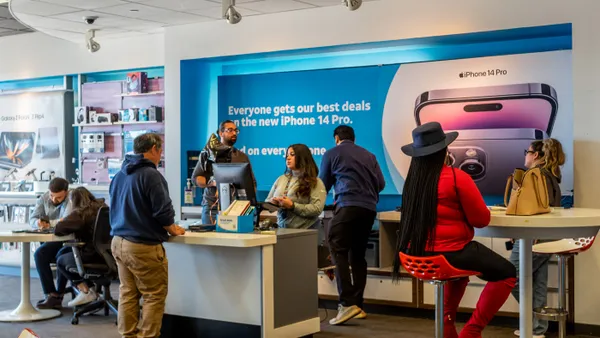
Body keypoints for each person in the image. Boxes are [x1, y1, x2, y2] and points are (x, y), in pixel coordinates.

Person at [394, 122, 516, 338]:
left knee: (459, 274)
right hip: (450, 254)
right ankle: (472, 330)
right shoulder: (458, 177)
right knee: (507, 272)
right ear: (445, 151)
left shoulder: (412, 182)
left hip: (414, 255)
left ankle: (447, 324)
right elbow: (481, 220)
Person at [110, 133, 185, 338]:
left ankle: (128, 335)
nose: (160, 155)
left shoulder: (120, 174)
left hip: (118, 242)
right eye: (160, 150)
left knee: (127, 293)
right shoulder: (151, 175)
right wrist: (172, 227)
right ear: (153, 148)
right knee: (153, 295)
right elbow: (162, 210)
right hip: (142, 245)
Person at [319, 125, 385, 325]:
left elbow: (323, 183)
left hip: (347, 206)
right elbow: (380, 184)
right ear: (353, 139)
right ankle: (358, 305)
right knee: (357, 256)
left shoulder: (332, 153)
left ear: (336, 138)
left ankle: (346, 304)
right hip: (368, 209)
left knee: (337, 249)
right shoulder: (370, 155)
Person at [510, 138, 566, 338]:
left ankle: (531, 322)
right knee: (538, 281)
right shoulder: (551, 176)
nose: (525, 154)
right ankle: (537, 329)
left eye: (528, 151)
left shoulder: (535, 176)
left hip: (532, 235)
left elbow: (529, 209)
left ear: (536, 156)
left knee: (511, 277)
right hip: (548, 235)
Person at [192, 120, 255, 225]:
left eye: (236, 130)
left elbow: (252, 184)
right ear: (221, 133)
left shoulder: (242, 157)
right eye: (230, 130)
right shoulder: (209, 153)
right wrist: (212, 183)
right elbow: (196, 178)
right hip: (213, 208)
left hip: (235, 209)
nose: (234, 133)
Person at [53, 187, 107, 307]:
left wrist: (68, 216)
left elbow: (58, 229)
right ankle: (89, 288)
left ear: (74, 201)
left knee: (60, 261)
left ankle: (86, 290)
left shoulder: (80, 213)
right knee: (62, 252)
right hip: (109, 255)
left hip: (91, 254)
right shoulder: (103, 207)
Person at [32, 177, 72, 310]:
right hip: (51, 239)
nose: (54, 200)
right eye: (51, 195)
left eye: (58, 197)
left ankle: (59, 294)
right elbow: (32, 218)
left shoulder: (71, 198)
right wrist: (37, 223)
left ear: (66, 192)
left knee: (60, 254)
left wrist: (49, 223)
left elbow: (66, 221)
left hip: (69, 239)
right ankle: (51, 294)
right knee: (40, 254)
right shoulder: (44, 198)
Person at [267, 144, 326, 229]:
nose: (288, 158)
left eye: (292, 155)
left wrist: (292, 206)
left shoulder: (315, 182)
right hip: (282, 230)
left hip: (306, 232)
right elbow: (268, 200)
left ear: (302, 157)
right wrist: (273, 204)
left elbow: (317, 209)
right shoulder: (281, 179)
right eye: (287, 155)